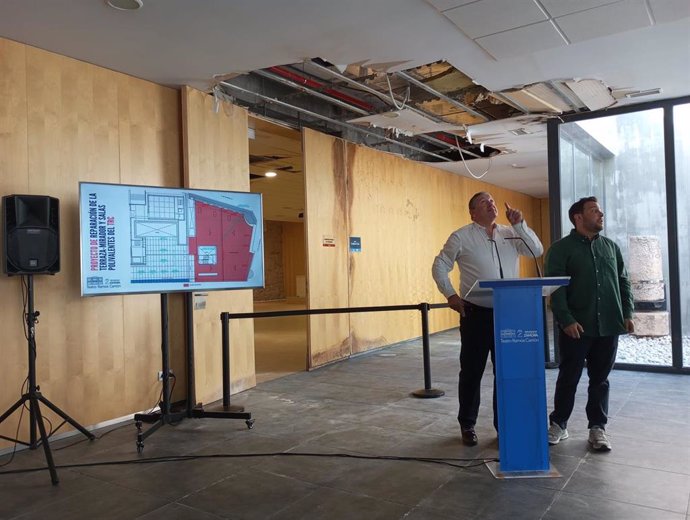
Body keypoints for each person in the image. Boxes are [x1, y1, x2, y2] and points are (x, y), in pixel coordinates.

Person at [432, 191, 543, 446]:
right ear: (472, 212)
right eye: (485, 202)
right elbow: (440, 265)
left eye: (493, 201)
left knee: (505, 372)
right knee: (472, 371)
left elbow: (536, 250)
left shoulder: (510, 232)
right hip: (476, 314)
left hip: (509, 313)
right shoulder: (461, 236)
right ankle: (467, 424)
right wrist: (450, 295)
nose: (491, 204)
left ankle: (503, 424)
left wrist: (520, 224)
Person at [546, 196, 634, 452]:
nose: (601, 214)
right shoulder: (560, 249)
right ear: (578, 217)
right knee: (568, 377)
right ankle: (559, 424)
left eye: (600, 210)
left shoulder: (611, 248)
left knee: (600, 380)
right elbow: (556, 288)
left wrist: (627, 312)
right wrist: (566, 319)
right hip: (577, 327)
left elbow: (624, 281)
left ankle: (597, 428)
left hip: (608, 324)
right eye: (594, 210)